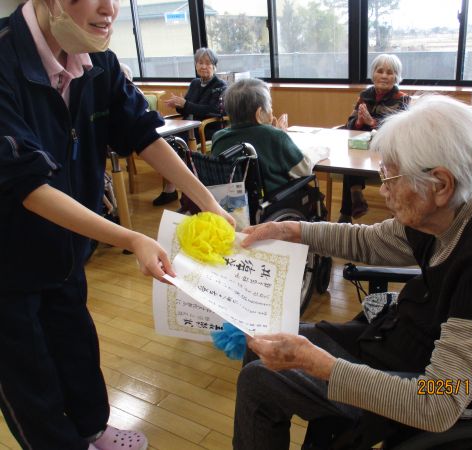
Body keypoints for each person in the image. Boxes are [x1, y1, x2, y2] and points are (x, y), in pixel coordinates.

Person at [232, 95, 472, 449]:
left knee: (258, 382)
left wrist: (319, 365)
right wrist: (288, 230)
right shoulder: (458, 208)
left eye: (390, 177)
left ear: (441, 184)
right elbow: (369, 242)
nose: (383, 189)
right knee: (263, 343)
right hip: (398, 341)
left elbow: (439, 403)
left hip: (415, 381)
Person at [0, 1, 234, 449]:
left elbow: (143, 134)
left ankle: (92, 429)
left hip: (67, 247)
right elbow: (25, 183)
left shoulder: (98, 63)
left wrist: (208, 203)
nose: (110, 9)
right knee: (28, 375)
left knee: (75, 344)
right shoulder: (5, 60)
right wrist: (131, 237)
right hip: (8, 257)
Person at [339, 54, 411, 224]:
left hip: (387, 151)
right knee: (350, 158)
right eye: (380, 71)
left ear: (396, 77)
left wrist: (372, 122)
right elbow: (349, 124)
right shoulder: (365, 95)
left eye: (390, 72)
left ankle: (355, 194)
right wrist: (358, 121)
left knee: (355, 158)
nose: (384, 76)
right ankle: (350, 207)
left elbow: (400, 130)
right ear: (373, 74)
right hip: (362, 149)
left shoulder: (402, 99)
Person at [211, 78, 313, 194]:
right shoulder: (275, 136)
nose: (272, 110)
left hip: (232, 202)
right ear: (259, 114)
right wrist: (280, 134)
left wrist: (273, 131)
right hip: (273, 201)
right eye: (270, 106)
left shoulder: (218, 137)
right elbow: (305, 169)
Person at [154, 47, 228, 206]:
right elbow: (187, 108)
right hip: (189, 128)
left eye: (208, 63)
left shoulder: (220, 85)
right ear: (195, 65)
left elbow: (213, 110)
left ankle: (186, 192)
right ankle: (171, 189)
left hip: (207, 129)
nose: (203, 66)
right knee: (165, 144)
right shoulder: (195, 83)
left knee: (176, 145)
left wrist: (185, 104)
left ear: (215, 66)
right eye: (200, 63)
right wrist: (178, 105)